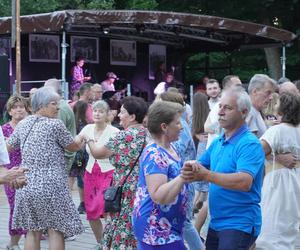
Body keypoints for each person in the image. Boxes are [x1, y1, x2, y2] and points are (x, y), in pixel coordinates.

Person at [181, 87, 265, 250]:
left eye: (228, 108)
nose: (220, 112)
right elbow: (199, 168)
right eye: (220, 106)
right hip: (217, 222)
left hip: (239, 223)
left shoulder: (249, 144)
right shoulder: (219, 141)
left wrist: (206, 175)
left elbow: (244, 182)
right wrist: (186, 167)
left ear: (244, 112)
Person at [6, 87, 85, 250]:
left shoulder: (23, 124)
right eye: (53, 103)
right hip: (52, 186)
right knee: (56, 231)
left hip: (26, 185)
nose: (58, 107)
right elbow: (73, 147)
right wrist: (83, 138)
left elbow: (7, 148)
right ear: (41, 105)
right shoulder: (55, 125)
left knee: (32, 232)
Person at [85, 96, 148, 249]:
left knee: (121, 225)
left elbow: (98, 153)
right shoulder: (148, 134)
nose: (119, 115)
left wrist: (89, 139)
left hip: (125, 189)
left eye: (123, 112)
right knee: (137, 224)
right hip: (143, 187)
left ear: (132, 117)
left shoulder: (123, 136)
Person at [132, 101, 189, 249]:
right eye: (177, 123)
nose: (182, 127)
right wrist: (183, 177)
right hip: (156, 228)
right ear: (164, 127)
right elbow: (158, 195)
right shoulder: (154, 154)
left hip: (170, 225)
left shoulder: (172, 147)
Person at [255, 92, 300, 250]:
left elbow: (255, 152)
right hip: (296, 182)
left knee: (275, 222)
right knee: (293, 224)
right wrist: (278, 156)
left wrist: (274, 156)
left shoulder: (276, 131)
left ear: (283, 109)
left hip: (279, 184)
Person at [79, 100, 120, 250]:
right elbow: (75, 144)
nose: (97, 113)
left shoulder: (115, 132)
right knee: (91, 211)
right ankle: (100, 243)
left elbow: (103, 153)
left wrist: (88, 141)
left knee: (105, 207)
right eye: (95, 110)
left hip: (108, 172)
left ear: (108, 114)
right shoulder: (87, 128)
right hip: (90, 173)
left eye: (101, 111)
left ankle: (110, 241)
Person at [2, 95, 28, 250]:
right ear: (10, 111)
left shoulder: (29, 127)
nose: (19, 109)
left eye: (21, 107)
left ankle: (30, 237)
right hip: (10, 173)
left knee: (28, 206)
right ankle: (14, 243)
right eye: (15, 107)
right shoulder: (3, 129)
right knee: (15, 207)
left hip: (29, 172)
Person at [69, 101, 89, 214]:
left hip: (73, 154)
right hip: (82, 154)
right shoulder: (85, 124)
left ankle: (67, 203)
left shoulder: (73, 123)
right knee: (82, 179)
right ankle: (83, 203)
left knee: (70, 179)